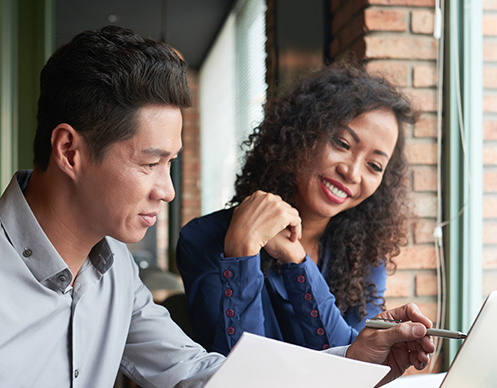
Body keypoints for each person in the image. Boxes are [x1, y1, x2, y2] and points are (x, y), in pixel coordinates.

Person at [0, 26, 433, 388]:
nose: (166, 189)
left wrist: (351, 363)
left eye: (171, 164)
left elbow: (195, 374)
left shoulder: (113, 270)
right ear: (70, 150)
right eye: (150, 162)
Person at [177, 61, 416, 355]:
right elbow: (240, 369)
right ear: (303, 133)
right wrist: (241, 252)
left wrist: (296, 260)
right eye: (342, 143)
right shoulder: (203, 239)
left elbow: (353, 362)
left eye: (374, 165)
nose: (352, 173)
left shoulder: (366, 256)